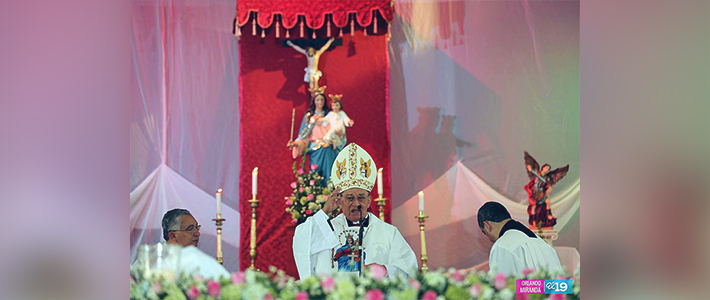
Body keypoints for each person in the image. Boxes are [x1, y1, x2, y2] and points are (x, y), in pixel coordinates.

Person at [292, 143, 418, 279]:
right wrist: (324, 211)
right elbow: (302, 240)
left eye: (361, 198)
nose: (356, 203)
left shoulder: (388, 233)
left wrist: (385, 270)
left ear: (369, 201)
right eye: (350, 198)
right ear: (340, 201)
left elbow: (410, 269)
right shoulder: (327, 230)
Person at [131, 209, 230, 280]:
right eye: (190, 229)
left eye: (197, 227)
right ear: (173, 235)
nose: (197, 233)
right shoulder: (154, 256)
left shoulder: (194, 256)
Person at [477, 201, 563, 277]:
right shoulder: (542, 243)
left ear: (487, 225)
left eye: (485, 232)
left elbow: (501, 289)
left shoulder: (502, 246)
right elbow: (561, 286)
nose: (489, 238)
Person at [288, 86, 339, 183]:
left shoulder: (330, 115)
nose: (320, 102)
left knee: (330, 174)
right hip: (315, 150)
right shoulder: (309, 117)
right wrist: (296, 144)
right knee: (316, 175)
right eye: (318, 100)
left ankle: (331, 193)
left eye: (322, 100)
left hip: (328, 148)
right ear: (314, 101)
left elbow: (337, 131)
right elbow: (304, 136)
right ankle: (317, 194)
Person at [523, 151, 569, 229]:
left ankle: (548, 215)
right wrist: (530, 168)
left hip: (541, 193)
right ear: (543, 167)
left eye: (548, 169)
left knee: (547, 201)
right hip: (534, 192)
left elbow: (547, 184)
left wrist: (548, 188)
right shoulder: (536, 172)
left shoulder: (546, 178)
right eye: (546, 168)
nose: (547, 169)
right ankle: (533, 221)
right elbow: (531, 168)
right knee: (533, 206)